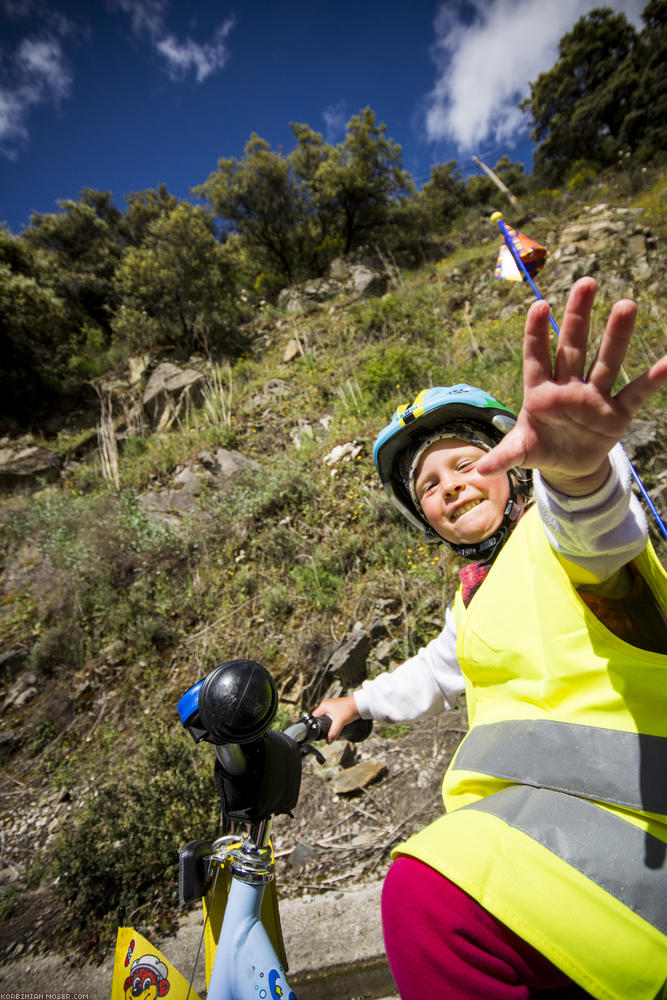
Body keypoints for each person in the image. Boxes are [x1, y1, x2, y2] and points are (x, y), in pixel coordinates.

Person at [313, 277, 667, 1000]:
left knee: (427, 891)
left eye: (463, 462)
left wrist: (575, 473)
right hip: (556, 851)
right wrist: (355, 702)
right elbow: (433, 669)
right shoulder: (471, 600)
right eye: (427, 488)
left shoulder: (558, 532)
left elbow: (597, 530)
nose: (447, 486)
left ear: (513, 464)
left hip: (635, 840)